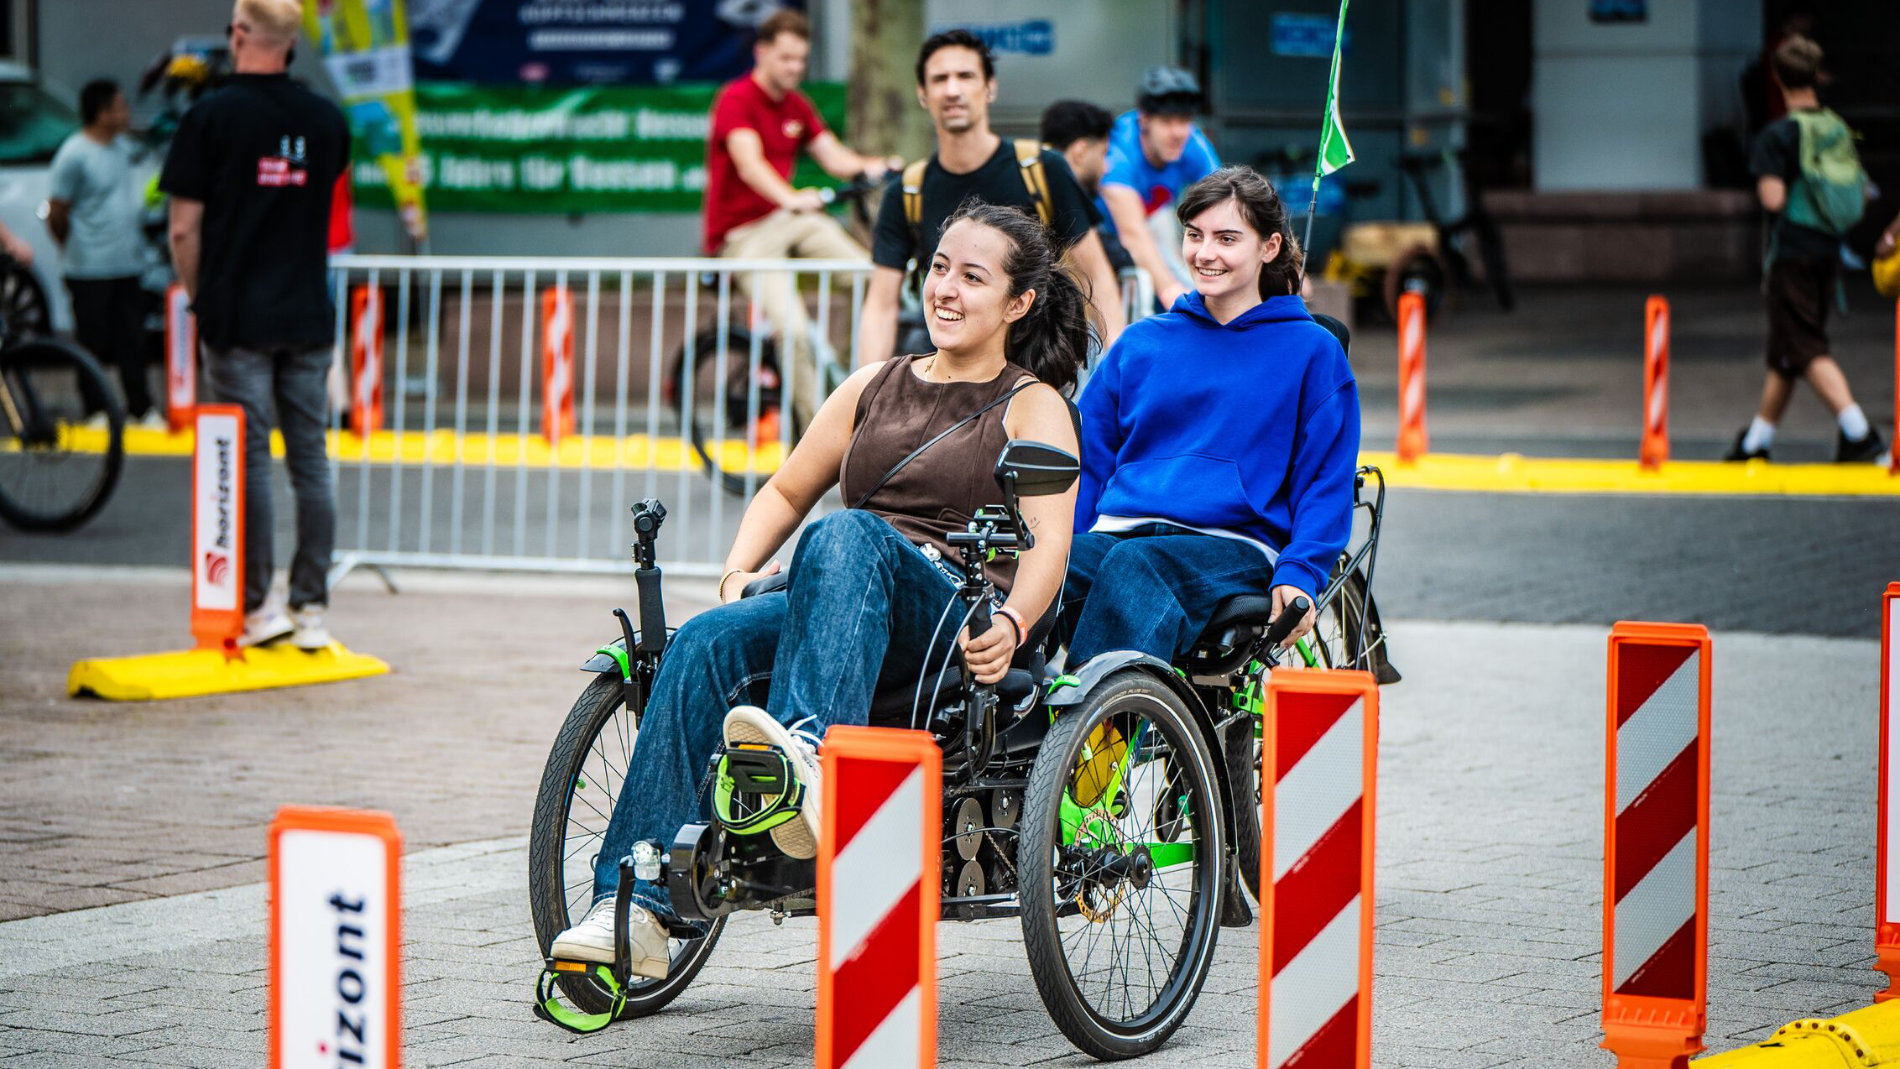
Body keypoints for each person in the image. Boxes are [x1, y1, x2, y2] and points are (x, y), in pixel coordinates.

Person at [549, 201, 1089, 975]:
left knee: (845, 534)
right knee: (703, 639)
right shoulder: (873, 384)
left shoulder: (1032, 404)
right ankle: (634, 903)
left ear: (1018, 302)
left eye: (973, 277)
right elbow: (783, 489)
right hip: (838, 597)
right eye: (939, 268)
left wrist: (1013, 621)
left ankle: (810, 757)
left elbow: (1051, 543)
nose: (946, 288)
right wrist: (736, 572)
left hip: (946, 620)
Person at [1061, 166, 1359, 665]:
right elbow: (1087, 460)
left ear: (1269, 247)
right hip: (1121, 531)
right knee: (1034, 571)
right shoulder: (1141, 342)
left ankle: (1099, 716)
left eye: (1226, 238)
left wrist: (1302, 569)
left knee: (1137, 567)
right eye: (1194, 235)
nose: (1204, 253)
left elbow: (1327, 478)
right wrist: (1061, 544)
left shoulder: (1312, 351)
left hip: (1236, 544)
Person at [160, 0, 351, 647]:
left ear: (238, 34)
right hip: (308, 310)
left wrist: (200, 300)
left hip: (237, 314)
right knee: (310, 458)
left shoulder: (208, 118)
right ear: (291, 44)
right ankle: (312, 609)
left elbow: (183, 228)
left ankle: (257, 607)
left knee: (249, 461)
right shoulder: (325, 119)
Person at [858, 30, 1124, 367]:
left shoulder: (1042, 169)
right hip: (949, 373)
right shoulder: (907, 190)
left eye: (965, 76)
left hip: (1037, 369)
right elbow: (881, 305)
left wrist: (1118, 372)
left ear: (990, 88)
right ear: (923, 94)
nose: (952, 90)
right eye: (940, 79)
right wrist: (865, 388)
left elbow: (1097, 276)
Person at [703, 9, 896, 433]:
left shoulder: (795, 104)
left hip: (787, 220)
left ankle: (852, 379)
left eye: (801, 60)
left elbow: (834, 156)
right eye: (786, 58)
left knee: (873, 278)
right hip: (744, 236)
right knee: (792, 332)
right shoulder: (736, 99)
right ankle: (817, 438)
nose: (795, 68)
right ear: (761, 53)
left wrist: (875, 166)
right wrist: (790, 197)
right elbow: (749, 164)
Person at [1724, 35, 1884, 465]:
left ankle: (1859, 433)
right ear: (1817, 76)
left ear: (1777, 78)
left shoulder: (1778, 134)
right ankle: (1756, 441)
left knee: (1805, 346)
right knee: (1786, 351)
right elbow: (1861, 190)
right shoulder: (1835, 127)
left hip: (1793, 252)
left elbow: (1773, 198)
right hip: (1829, 250)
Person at [48, 79, 156, 425]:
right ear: (102, 113)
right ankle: (94, 410)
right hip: (88, 267)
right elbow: (57, 211)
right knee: (91, 341)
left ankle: (140, 408)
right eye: (121, 107)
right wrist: (72, 249)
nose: (127, 113)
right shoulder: (74, 154)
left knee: (133, 340)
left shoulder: (123, 148)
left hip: (127, 263)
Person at [1099, 67, 1222, 310]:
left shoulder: (1193, 142)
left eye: (1184, 121)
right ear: (1143, 120)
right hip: (1100, 227)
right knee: (1121, 295)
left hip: (1152, 217)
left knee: (1184, 270)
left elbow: (1225, 202)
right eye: (1166, 122)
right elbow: (1133, 234)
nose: (1178, 133)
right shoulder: (1117, 150)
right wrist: (1170, 292)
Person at [1039, 98, 1133, 272]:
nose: (1106, 167)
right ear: (1080, 151)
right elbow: (1110, 265)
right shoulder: (1068, 207)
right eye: (1103, 153)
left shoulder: (1030, 188)